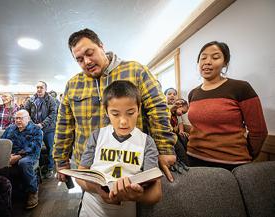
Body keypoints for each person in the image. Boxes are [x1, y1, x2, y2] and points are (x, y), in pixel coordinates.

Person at [54, 28, 176, 183]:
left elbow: (157, 109)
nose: (87, 62)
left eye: (89, 53)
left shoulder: (136, 71)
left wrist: (165, 148)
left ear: (101, 45)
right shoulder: (72, 84)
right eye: (79, 59)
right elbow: (64, 124)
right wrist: (61, 159)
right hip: (88, 168)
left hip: (132, 164)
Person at [75, 80, 161, 217]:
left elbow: (155, 194)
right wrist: (97, 188)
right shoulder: (97, 136)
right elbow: (80, 176)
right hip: (91, 208)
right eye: (115, 114)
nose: (123, 121)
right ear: (106, 112)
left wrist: (134, 196)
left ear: (138, 109)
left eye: (130, 113)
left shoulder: (146, 142)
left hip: (125, 211)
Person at [187, 41, 268, 170]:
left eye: (215, 57)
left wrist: (247, 156)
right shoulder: (193, 93)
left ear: (225, 63)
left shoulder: (241, 88)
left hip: (231, 163)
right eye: (203, 57)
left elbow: (259, 131)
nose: (207, 61)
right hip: (193, 160)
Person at [1, 110, 43, 209]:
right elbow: (2, 142)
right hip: (11, 154)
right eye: (16, 118)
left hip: (30, 155)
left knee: (23, 163)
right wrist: (6, 154)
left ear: (28, 118)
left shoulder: (36, 129)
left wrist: (18, 156)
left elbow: (33, 147)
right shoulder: (10, 129)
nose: (18, 120)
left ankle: (32, 192)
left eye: (21, 118)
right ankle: (3, 191)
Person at [24, 81, 57, 178]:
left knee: (50, 149)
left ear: (45, 89)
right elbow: (26, 112)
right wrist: (32, 124)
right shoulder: (31, 99)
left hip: (48, 129)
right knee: (34, 148)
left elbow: (53, 114)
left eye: (41, 87)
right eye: (37, 87)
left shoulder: (51, 100)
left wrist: (42, 124)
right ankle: (37, 167)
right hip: (34, 129)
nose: (39, 89)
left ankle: (50, 168)